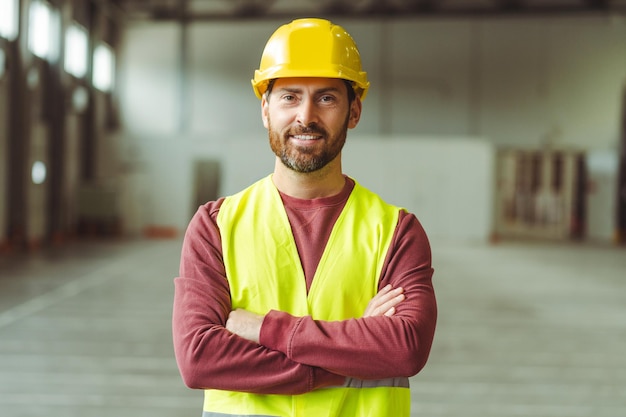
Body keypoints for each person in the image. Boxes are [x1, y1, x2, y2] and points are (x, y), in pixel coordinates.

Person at [172, 17, 437, 417]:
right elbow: (199, 358)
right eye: (290, 97)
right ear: (266, 109)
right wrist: (351, 356)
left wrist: (263, 329)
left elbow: (406, 347)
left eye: (326, 98)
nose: (306, 116)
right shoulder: (215, 225)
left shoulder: (397, 232)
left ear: (354, 111)